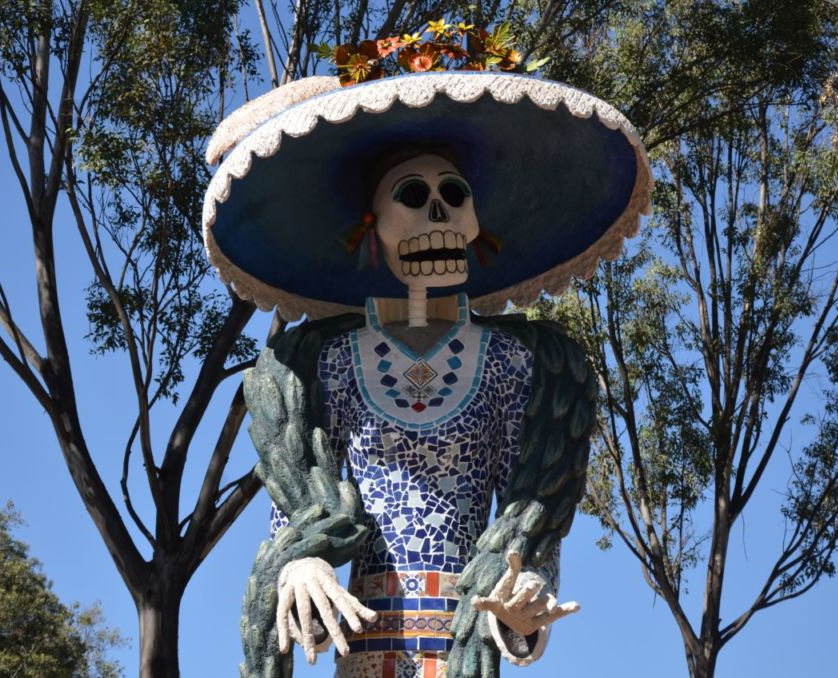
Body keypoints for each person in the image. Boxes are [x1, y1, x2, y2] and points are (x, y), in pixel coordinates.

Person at [203, 69, 651, 678]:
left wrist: (524, 615)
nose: (438, 215)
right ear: (372, 229)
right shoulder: (325, 365)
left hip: (464, 650)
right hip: (364, 651)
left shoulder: (515, 364)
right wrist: (301, 568)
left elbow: (528, 532)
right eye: (411, 197)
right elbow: (298, 516)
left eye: (454, 197)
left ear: (475, 226)